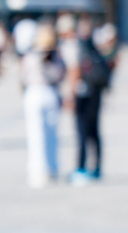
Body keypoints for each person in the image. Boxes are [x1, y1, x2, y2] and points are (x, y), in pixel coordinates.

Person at [62, 13, 110, 182]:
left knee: (82, 131)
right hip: (95, 92)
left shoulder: (75, 46)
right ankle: (96, 168)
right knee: (94, 131)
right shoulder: (95, 46)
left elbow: (74, 72)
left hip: (82, 94)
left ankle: (81, 167)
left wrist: (70, 96)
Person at [20, 23, 63, 188]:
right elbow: (60, 74)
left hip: (37, 92)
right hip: (47, 92)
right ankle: (46, 168)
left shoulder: (31, 57)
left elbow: (23, 77)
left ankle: (41, 169)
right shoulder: (52, 56)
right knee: (47, 133)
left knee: (39, 133)